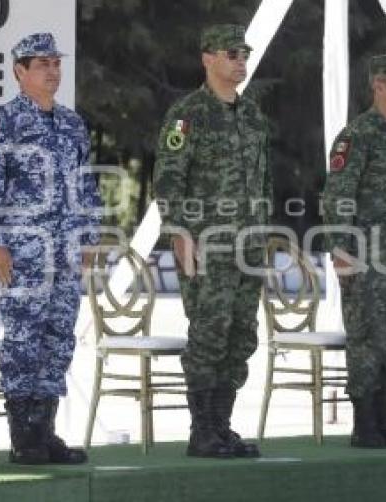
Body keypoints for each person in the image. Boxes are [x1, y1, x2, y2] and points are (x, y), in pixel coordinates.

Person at [0, 32, 101, 464]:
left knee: (59, 339)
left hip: (65, 253)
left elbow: (85, 183)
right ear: (20, 71)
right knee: (24, 340)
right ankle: (23, 437)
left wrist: (88, 236)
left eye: (56, 63)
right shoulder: (3, 121)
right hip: (24, 254)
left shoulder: (71, 123)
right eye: (42, 64)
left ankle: (45, 431)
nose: (52, 70)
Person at [153, 24, 273, 458]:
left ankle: (222, 427)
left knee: (241, 336)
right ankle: (201, 430)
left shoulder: (254, 115)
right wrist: (180, 233)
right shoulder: (188, 115)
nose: (240, 60)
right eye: (231, 53)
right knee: (209, 333)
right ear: (208, 58)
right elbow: (168, 180)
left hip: (248, 246)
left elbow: (264, 182)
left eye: (244, 54)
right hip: (207, 247)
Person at [322, 52, 386, 448]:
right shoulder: (357, 136)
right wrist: (341, 247)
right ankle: (364, 422)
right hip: (368, 259)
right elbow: (337, 195)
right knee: (370, 340)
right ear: (378, 85)